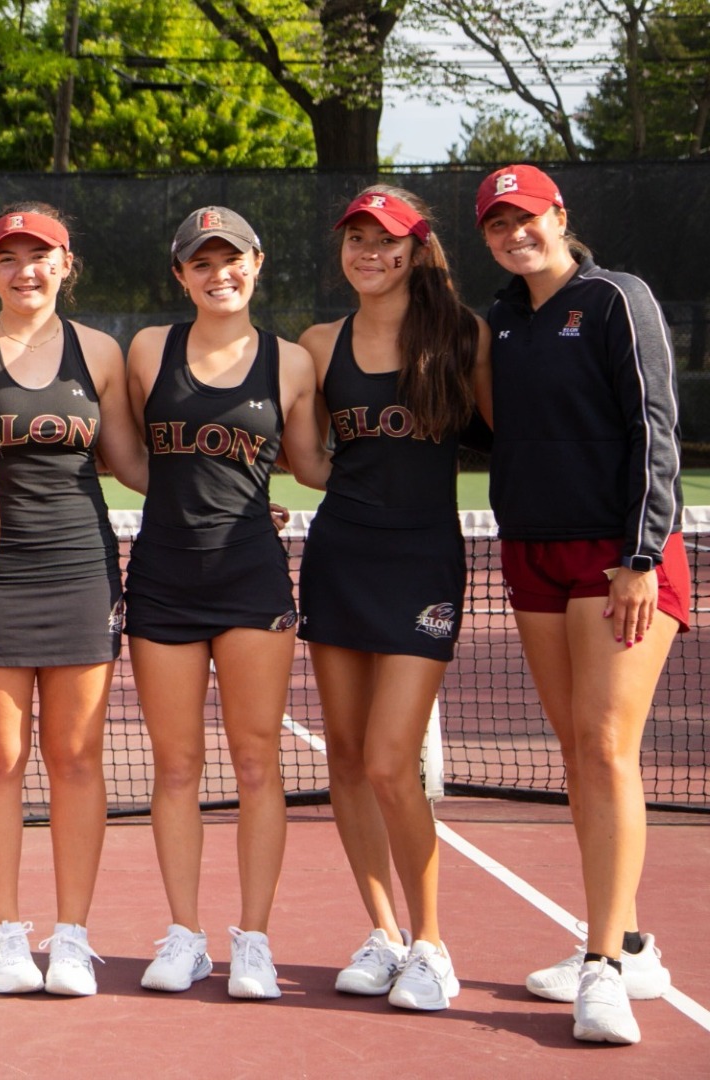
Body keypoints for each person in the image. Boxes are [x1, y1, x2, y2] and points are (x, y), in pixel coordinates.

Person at [475, 164, 687, 1045]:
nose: (515, 234)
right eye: (497, 224)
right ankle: (629, 942)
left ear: (561, 216)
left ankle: (602, 969)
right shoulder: (499, 322)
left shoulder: (613, 299)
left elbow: (653, 424)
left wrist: (641, 554)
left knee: (605, 747)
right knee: (576, 752)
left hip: (618, 556)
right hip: (531, 553)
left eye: (527, 218)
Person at [0, 205, 145, 997]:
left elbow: (127, 459)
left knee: (77, 758)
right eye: (9, 258)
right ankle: (3, 936)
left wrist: (228, 498)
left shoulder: (101, 353)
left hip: (82, 569)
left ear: (68, 263)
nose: (26, 270)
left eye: (42, 256)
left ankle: (71, 937)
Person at [123, 207, 324, 1000]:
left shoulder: (292, 363)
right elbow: (128, 457)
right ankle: (184, 935)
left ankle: (255, 942)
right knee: (175, 767)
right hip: (164, 580)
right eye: (201, 264)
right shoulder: (147, 351)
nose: (218, 275)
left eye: (231, 260)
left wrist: (406, 477)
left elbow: (311, 465)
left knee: (256, 764)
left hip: (252, 581)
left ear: (257, 263)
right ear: (181, 276)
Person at [296, 187, 485, 1012]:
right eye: (357, 239)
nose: (369, 252)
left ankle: (432, 945)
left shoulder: (462, 334)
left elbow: (507, 434)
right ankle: (383, 933)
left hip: (423, 564)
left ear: (416, 248)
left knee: (388, 761)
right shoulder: (315, 343)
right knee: (343, 756)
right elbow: (306, 461)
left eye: (387, 240)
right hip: (340, 554)